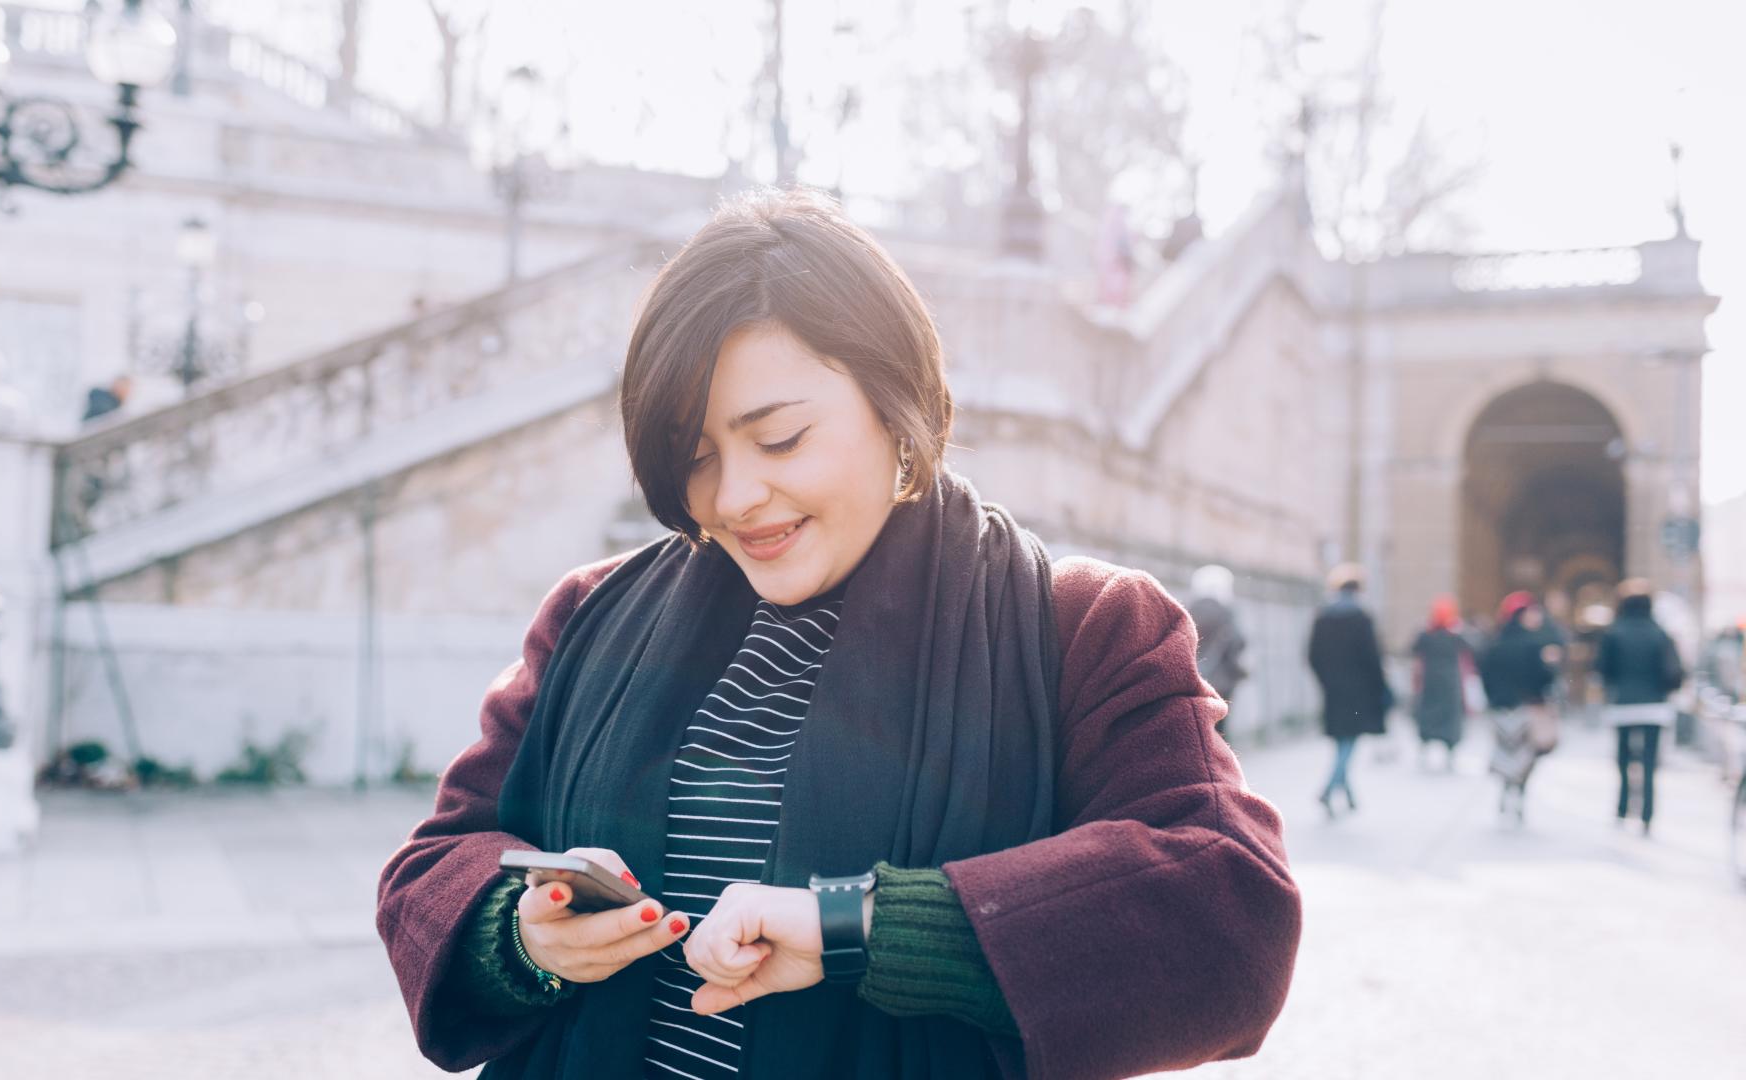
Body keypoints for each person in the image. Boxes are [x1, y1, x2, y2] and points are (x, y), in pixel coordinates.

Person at [375, 190, 1301, 1080]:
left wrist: (859, 926)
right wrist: (520, 934)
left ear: (895, 403)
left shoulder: (1085, 629)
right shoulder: (591, 617)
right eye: (695, 456)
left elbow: (1231, 914)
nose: (733, 497)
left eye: (778, 440)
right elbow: (431, 868)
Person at [1597, 580, 1684, 836]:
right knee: (1649, 762)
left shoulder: (1614, 633)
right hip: (1654, 706)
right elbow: (1675, 671)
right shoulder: (1660, 633)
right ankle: (1647, 814)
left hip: (1623, 705)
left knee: (1623, 760)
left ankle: (1623, 809)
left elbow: (1603, 670)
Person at [1307, 564, 1391, 817]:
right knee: (1349, 740)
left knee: (1342, 739)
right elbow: (1372, 657)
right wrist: (1380, 687)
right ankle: (1329, 787)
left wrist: (1326, 680)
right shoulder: (1361, 618)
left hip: (1333, 689)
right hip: (1358, 691)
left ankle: (1347, 793)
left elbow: (1312, 655)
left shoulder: (1323, 617)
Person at [1481, 592, 1560, 825]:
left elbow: (1486, 675)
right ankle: (1519, 794)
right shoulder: (1535, 645)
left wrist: (1494, 698)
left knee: (1506, 753)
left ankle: (1506, 791)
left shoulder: (1495, 644)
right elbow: (1544, 679)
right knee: (1526, 757)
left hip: (1501, 708)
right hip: (1528, 708)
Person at [1410, 596, 1473, 770]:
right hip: (1449, 684)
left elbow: (1412, 649)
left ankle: (1425, 749)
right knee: (1449, 720)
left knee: (1429, 717)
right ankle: (1449, 753)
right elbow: (1471, 649)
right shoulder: (1455, 636)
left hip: (1430, 682)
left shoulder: (1426, 635)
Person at [1186, 564, 1248, 739]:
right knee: (1220, 731)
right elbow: (1238, 643)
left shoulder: (1187, 610)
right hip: (1223, 682)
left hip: (1194, 679)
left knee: (1199, 730)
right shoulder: (1226, 612)